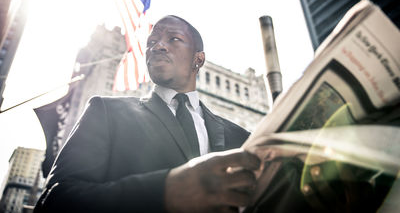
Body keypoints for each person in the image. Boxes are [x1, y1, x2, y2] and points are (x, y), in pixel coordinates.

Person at [34, 15, 261, 213]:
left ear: (198, 59)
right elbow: (54, 201)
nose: (157, 46)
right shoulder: (105, 112)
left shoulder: (242, 138)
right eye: (152, 41)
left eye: (174, 39)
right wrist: (165, 192)